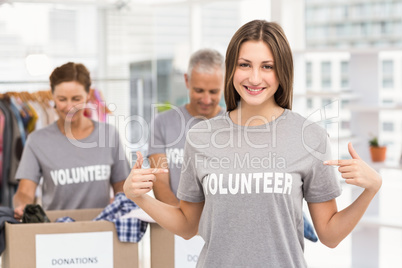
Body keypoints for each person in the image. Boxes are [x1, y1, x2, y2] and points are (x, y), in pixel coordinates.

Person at [124, 20, 382, 268]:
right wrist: (139, 197)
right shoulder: (200, 137)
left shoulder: (310, 137)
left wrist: (371, 189)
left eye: (267, 66)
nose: (255, 78)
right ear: (231, 70)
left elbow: (329, 234)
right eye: (245, 65)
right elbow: (187, 226)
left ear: (282, 71)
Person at [13, 62, 130, 219]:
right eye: (62, 99)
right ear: (53, 96)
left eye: (76, 99)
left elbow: (121, 184)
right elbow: (24, 192)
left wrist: (121, 201)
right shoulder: (37, 141)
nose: (70, 107)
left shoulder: (109, 135)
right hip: (57, 231)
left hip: (103, 229)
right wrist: (22, 206)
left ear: (88, 95)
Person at [148, 48, 225, 207]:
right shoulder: (162, 123)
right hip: (176, 223)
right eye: (199, 90)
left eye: (213, 91)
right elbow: (160, 183)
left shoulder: (235, 125)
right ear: (187, 81)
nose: (206, 99)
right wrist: (183, 224)